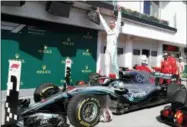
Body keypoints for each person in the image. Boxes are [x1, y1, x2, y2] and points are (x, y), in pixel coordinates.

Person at [96, 5, 122, 79]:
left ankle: (117, 78)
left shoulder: (116, 30)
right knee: (106, 63)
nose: (111, 24)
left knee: (114, 63)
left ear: (115, 24)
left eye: (112, 23)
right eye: (110, 23)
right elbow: (103, 22)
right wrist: (99, 14)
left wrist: (119, 11)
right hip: (107, 48)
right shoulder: (108, 30)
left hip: (113, 48)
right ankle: (107, 77)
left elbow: (119, 20)